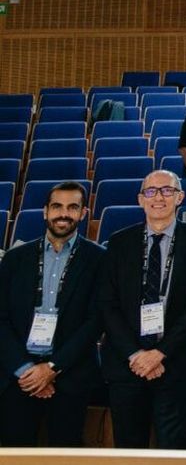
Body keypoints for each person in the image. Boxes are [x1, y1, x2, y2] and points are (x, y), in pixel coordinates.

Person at [98, 171, 186, 449]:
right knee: (128, 448)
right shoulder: (119, 242)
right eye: (150, 191)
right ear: (140, 199)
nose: (158, 197)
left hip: (175, 365)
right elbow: (107, 305)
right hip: (127, 365)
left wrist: (160, 353)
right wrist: (137, 355)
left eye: (166, 190)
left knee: (173, 449)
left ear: (180, 197)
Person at [0, 183, 105, 446]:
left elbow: (96, 320)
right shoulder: (15, 258)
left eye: (73, 207)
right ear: (45, 211)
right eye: (57, 206)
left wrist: (52, 368)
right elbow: (1, 319)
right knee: (15, 452)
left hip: (71, 374)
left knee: (66, 451)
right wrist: (27, 370)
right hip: (18, 375)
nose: (64, 214)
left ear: (83, 213)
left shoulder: (100, 259)